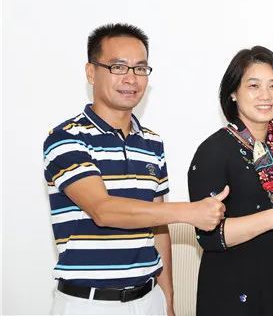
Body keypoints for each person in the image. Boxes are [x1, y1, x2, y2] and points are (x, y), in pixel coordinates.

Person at [44, 23, 228, 315]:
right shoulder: (67, 138)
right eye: (118, 67)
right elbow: (104, 210)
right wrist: (190, 212)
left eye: (140, 68)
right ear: (91, 72)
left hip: (149, 300)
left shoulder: (152, 142)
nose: (131, 78)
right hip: (89, 304)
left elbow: (158, 226)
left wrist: (167, 300)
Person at [188, 46, 273, 316]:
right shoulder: (213, 151)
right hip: (231, 289)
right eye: (253, 85)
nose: (265, 95)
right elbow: (209, 237)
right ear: (233, 92)